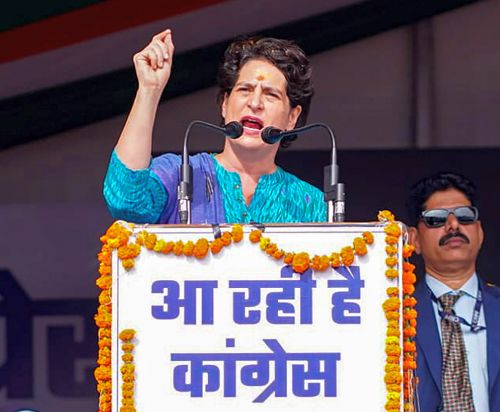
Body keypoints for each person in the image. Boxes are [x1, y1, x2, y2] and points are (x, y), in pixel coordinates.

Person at [103, 29, 326, 224]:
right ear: (224, 104)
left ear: (292, 118)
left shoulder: (310, 204)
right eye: (244, 90)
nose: (255, 103)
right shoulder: (180, 175)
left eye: (271, 95)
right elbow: (126, 201)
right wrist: (149, 89)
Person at [406, 172, 500, 412]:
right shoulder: (395, 316)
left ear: (480, 232)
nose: (454, 225)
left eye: (465, 216)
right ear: (414, 240)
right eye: (436, 219)